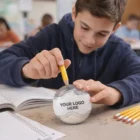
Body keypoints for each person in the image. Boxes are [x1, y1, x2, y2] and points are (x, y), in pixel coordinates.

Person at [0, 0, 140, 109]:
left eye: (102, 33)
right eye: (84, 27)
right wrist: (26, 69)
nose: (89, 40)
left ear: (115, 28)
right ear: (74, 13)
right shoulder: (50, 35)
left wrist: (117, 93)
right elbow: (3, 60)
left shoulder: (119, 49)